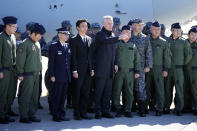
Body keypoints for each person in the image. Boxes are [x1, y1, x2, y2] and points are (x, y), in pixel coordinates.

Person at [94, 15, 128, 119]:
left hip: (110, 69)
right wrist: (119, 37)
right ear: (103, 24)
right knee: (99, 91)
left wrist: (116, 63)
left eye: (111, 23)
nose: (110, 25)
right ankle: (97, 112)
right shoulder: (100, 35)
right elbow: (106, 41)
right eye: (108, 23)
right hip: (101, 69)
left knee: (108, 92)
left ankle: (106, 111)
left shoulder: (113, 35)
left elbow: (115, 51)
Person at [16, 23, 45, 123]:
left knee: (34, 96)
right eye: (39, 35)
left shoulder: (37, 43)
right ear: (33, 34)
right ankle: (24, 116)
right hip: (27, 75)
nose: (40, 37)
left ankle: (31, 114)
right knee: (26, 96)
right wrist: (20, 73)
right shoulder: (25, 44)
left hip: (36, 74)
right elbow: (20, 61)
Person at [164, 23, 192, 116]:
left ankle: (179, 108)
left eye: (179, 31)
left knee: (179, 89)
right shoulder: (167, 41)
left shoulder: (184, 42)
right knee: (168, 89)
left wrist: (182, 63)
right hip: (168, 69)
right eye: (176, 30)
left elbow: (189, 55)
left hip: (179, 70)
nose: (178, 32)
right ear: (172, 31)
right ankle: (166, 107)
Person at [113, 25, 141, 118]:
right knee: (117, 90)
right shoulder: (117, 44)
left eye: (128, 32)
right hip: (119, 72)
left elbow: (137, 60)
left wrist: (137, 71)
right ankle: (117, 109)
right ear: (121, 33)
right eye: (125, 32)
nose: (127, 34)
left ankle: (128, 110)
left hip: (129, 72)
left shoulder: (133, 45)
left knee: (129, 91)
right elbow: (113, 57)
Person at [146, 21, 171, 116]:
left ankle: (159, 108)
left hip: (159, 68)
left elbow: (167, 57)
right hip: (148, 67)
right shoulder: (146, 40)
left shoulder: (164, 42)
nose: (156, 31)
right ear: (151, 30)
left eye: (158, 29)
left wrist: (166, 69)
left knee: (160, 89)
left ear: (160, 30)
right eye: (154, 29)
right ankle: (145, 107)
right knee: (146, 88)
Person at [70, 19, 94, 120]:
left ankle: (84, 112)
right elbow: (73, 56)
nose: (85, 28)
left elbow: (91, 56)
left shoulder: (89, 39)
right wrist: (74, 70)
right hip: (78, 71)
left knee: (85, 92)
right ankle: (77, 113)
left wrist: (92, 69)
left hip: (88, 70)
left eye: (86, 26)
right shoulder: (74, 39)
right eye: (83, 26)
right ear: (78, 28)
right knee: (77, 92)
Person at [130, 18, 153, 117]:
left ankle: (142, 109)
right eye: (136, 25)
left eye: (140, 25)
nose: (138, 27)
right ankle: (129, 107)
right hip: (128, 66)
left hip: (140, 67)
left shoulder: (145, 38)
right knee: (128, 87)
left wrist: (148, 65)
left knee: (140, 88)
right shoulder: (127, 36)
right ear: (132, 26)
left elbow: (149, 53)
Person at [48, 27, 71, 122]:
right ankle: (56, 115)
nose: (67, 36)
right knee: (56, 96)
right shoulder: (54, 46)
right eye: (65, 34)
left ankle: (62, 114)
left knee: (63, 96)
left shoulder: (68, 46)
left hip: (66, 76)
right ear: (59, 35)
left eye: (67, 34)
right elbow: (51, 62)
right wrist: (52, 75)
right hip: (57, 76)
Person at [0, 16, 18, 124]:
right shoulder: (1, 38)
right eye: (14, 26)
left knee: (10, 93)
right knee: (2, 94)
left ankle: (6, 113)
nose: (15, 28)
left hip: (12, 71)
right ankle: (1, 116)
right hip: (4, 71)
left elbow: (14, 55)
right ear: (7, 26)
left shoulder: (12, 37)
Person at [183, 27, 197, 115]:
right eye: (192, 34)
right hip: (184, 69)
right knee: (184, 88)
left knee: (195, 89)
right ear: (188, 35)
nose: (193, 36)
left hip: (194, 70)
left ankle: (195, 107)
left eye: (195, 35)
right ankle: (185, 106)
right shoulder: (184, 44)